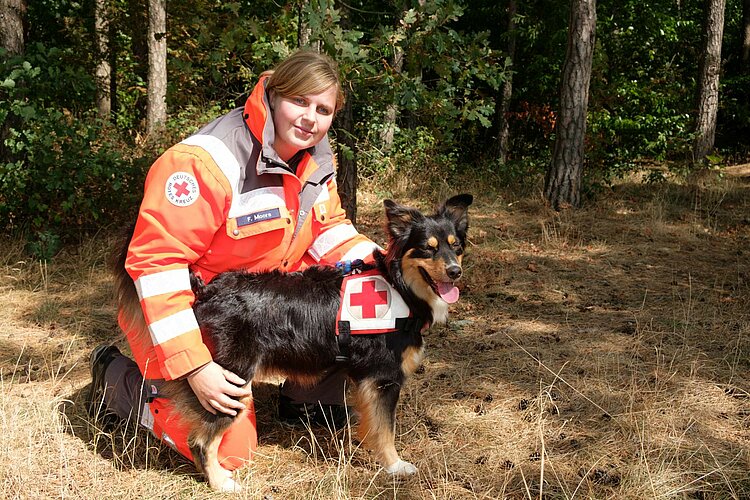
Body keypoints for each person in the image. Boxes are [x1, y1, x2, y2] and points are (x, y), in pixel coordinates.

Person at [88, 50, 381, 472]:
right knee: (230, 454)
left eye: (323, 109)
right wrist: (195, 367)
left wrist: (392, 274)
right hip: (186, 307)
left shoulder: (314, 156)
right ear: (274, 95)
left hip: (253, 303)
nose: (310, 118)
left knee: (359, 305)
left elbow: (329, 232)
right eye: (299, 101)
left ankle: (308, 400)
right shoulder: (203, 163)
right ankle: (117, 381)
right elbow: (157, 269)